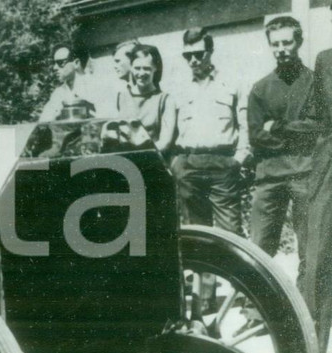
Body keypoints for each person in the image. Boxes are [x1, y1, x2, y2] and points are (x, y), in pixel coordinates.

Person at [248, 15, 322, 284]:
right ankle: (254, 309)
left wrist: (278, 127)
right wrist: (296, 132)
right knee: (259, 245)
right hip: (269, 176)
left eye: (286, 42)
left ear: (298, 42)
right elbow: (256, 136)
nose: (281, 49)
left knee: (310, 245)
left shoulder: (316, 83)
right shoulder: (260, 88)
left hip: (305, 173)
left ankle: (307, 307)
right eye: (275, 43)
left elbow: (317, 128)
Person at [170, 27, 250, 235]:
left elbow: (244, 123)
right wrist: (176, 164)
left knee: (231, 233)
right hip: (189, 166)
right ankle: (202, 270)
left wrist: (239, 159)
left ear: (210, 51)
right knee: (196, 233)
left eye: (198, 54)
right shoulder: (179, 86)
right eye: (188, 56)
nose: (193, 61)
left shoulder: (231, 82)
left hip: (222, 164)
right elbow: (170, 127)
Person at [303, 14, 332, 353]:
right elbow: (316, 115)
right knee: (321, 249)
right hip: (329, 162)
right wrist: (280, 129)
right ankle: (316, 341)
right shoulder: (325, 60)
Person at [116, 44, 177, 153]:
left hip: (152, 160)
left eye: (147, 68)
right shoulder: (121, 97)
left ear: (156, 68)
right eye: (137, 68)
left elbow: (165, 142)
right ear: (131, 67)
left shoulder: (165, 100)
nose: (141, 73)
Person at [39, 41, 96, 122]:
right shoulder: (58, 93)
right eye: (54, 63)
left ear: (76, 63)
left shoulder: (96, 86)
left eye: (60, 63)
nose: (55, 68)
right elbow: (43, 122)